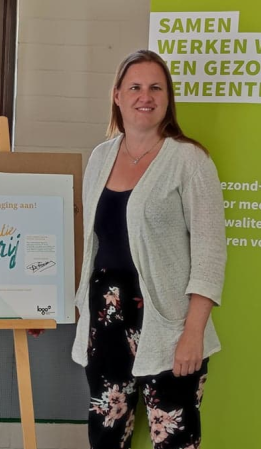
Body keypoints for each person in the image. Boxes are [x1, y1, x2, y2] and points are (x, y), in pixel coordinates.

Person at [69, 49, 226, 449]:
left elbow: (210, 253)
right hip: (106, 319)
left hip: (169, 323)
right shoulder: (100, 157)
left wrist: (193, 333)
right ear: (117, 95)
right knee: (106, 435)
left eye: (156, 87)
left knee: (175, 437)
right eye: (135, 87)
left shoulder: (190, 160)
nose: (145, 96)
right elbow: (92, 244)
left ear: (167, 98)